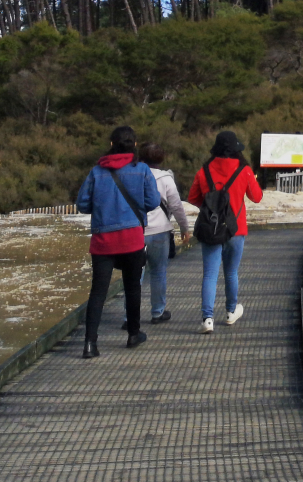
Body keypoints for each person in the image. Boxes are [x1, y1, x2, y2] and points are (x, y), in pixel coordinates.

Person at [75, 126, 161, 358]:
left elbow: (82, 204)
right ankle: (133, 334)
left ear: (111, 145)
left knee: (98, 292)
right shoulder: (142, 169)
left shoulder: (96, 172)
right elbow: (153, 202)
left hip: (103, 241)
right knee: (132, 287)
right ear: (134, 145)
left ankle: (90, 344)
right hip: (132, 239)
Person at [189, 130, 262, 334]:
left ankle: (207, 319)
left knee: (210, 274)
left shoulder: (204, 170)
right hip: (236, 229)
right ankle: (230, 312)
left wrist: (211, 207)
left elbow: (193, 197)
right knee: (231, 272)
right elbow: (257, 197)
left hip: (211, 227)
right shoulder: (244, 170)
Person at [138, 142, 189, 324]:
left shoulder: (133, 175)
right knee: (158, 272)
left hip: (136, 231)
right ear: (161, 158)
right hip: (160, 231)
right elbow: (176, 205)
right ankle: (157, 312)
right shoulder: (165, 178)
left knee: (135, 274)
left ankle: (130, 316)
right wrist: (184, 228)